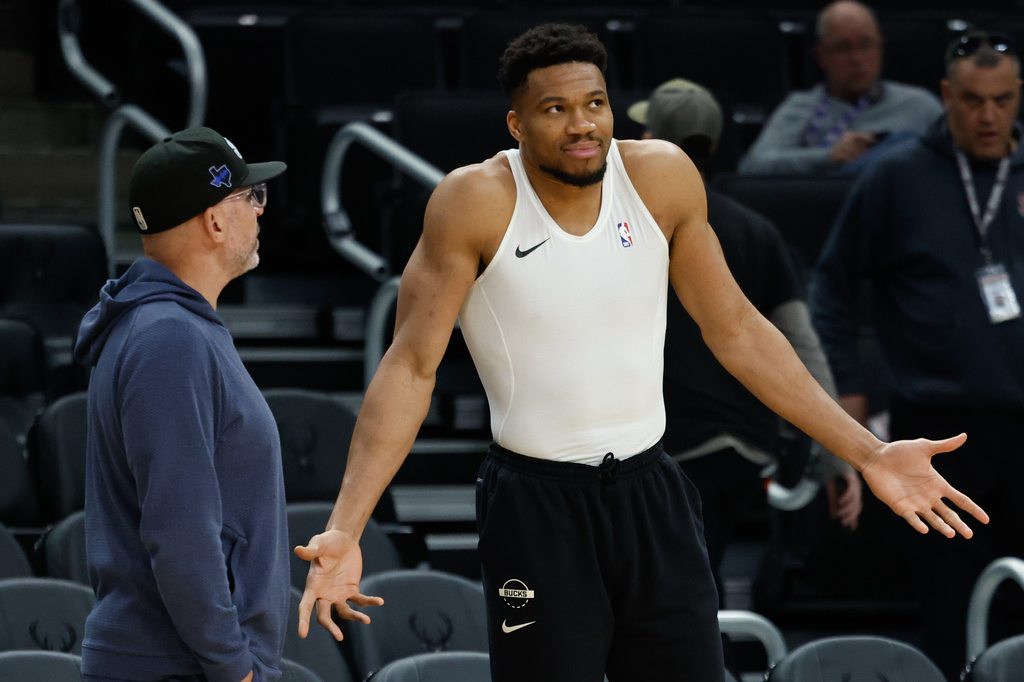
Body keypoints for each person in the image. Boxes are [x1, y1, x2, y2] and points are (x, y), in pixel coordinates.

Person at [295, 23, 988, 682]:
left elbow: (739, 332)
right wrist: (347, 528)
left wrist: (867, 451)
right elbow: (411, 368)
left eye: (594, 103)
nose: (582, 125)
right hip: (536, 507)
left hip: (653, 494)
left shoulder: (660, 178)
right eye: (556, 108)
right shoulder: (473, 201)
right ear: (517, 124)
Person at [810, 30, 1024, 679]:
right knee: (948, 612)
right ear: (944, 96)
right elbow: (833, 289)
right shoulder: (898, 175)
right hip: (935, 428)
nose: (988, 116)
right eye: (972, 100)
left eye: (1003, 100)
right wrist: (848, 397)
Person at [627, 78, 863, 603]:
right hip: (738, 451)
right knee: (690, 590)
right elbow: (805, 348)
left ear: (649, 139)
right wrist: (837, 459)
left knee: (665, 601)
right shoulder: (756, 230)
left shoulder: (617, 226)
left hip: (655, 448)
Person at [73, 126, 289, 682]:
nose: (260, 211)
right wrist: (233, 666)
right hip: (179, 665)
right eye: (250, 197)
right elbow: (180, 530)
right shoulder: (170, 338)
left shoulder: (166, 328)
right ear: (215, 220)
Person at [738, 0, 944, 176]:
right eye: (843, 48)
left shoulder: (920, 105)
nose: (857, 59)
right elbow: (753, 166)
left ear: (881, 47)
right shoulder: (801, 105)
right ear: (821, 57)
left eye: (866, 45)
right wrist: (828, 156)